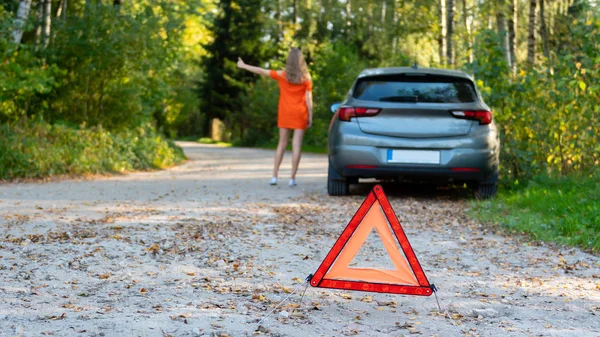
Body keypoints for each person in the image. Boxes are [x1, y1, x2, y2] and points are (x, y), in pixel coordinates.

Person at [237, 48, 313, 187]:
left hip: (285, 113)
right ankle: (292, 178)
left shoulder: (282, 75)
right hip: (300, 113)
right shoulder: (306, 79)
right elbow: (309, 100)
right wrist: (310, 117)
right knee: (296, 146)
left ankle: (274, 176)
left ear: (289, 61)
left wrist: (244, 66)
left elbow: (261, 71)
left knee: (282, 144)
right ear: (301, 61)